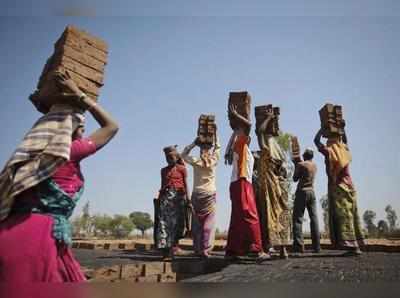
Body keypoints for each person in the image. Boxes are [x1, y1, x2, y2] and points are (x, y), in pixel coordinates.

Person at [0, 71, 119, 282]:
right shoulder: (67, 152)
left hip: (10, 234)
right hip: (39, 240)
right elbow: (111, 126)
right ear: (69, 129)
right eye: (81, 127)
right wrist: (79, 94)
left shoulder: (29, 157)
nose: (83, 133)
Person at [224, 104, 269, 262]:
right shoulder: (241, 145)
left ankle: (233, 249)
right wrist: (237, 116)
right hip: (242, 183)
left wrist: (235, 128)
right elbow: (249, 126)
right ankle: (256, 249)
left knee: (237, 217)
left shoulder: (244, 149)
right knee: (251, 214)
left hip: (237, 183)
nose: (249, 137)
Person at [314, 128, 365, 256]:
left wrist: (321, 130)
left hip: (339, 186)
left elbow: (316, 141)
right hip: (350, 187)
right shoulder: (344, 150)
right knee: (352, 215)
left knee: (345, 216)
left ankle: (353, 247)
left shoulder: (330, 151)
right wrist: (343, 130)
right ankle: (356, 245)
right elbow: (345, 141)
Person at [254, 110, 290, 259]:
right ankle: (283, 250)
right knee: (282, 214)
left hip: (270, 187)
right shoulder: (279, 147)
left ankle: (268, 247)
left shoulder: (269, 145)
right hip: (281, 186)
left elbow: (258, 132)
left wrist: (268, 117)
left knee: (267, 214)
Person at [181, 131, 220, 259]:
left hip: (197, 194)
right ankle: (205, 249)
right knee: (209, 224)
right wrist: (215, 135)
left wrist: (194, 143)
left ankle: (198, 249)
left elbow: (183, 155)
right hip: (209, 194)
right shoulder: (214, 160)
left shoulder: (195, 161)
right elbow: (218, 148)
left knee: (197, 223)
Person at [155, 145, 191, 260]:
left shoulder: (182, 169)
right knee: (163, 225)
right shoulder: (163, 170)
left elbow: (186, 184)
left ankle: (174, 248)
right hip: (165, 200)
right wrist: (159, 199)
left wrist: (188, 199)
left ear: (176, 157)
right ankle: (166, 253)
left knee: (177, 225)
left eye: (171, 157)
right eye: (167, 157)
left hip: (179, 199)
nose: (169, 159)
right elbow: (162, 185)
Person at [292, 148, 321, 253]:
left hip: (302, 192)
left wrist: (296, 164)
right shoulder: (314, 165)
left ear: (304, 155)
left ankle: (299, 246)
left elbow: (295, 178)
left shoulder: (301, 165)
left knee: (297, 219)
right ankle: (317, 246)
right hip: (312, 192)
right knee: (314, 218)